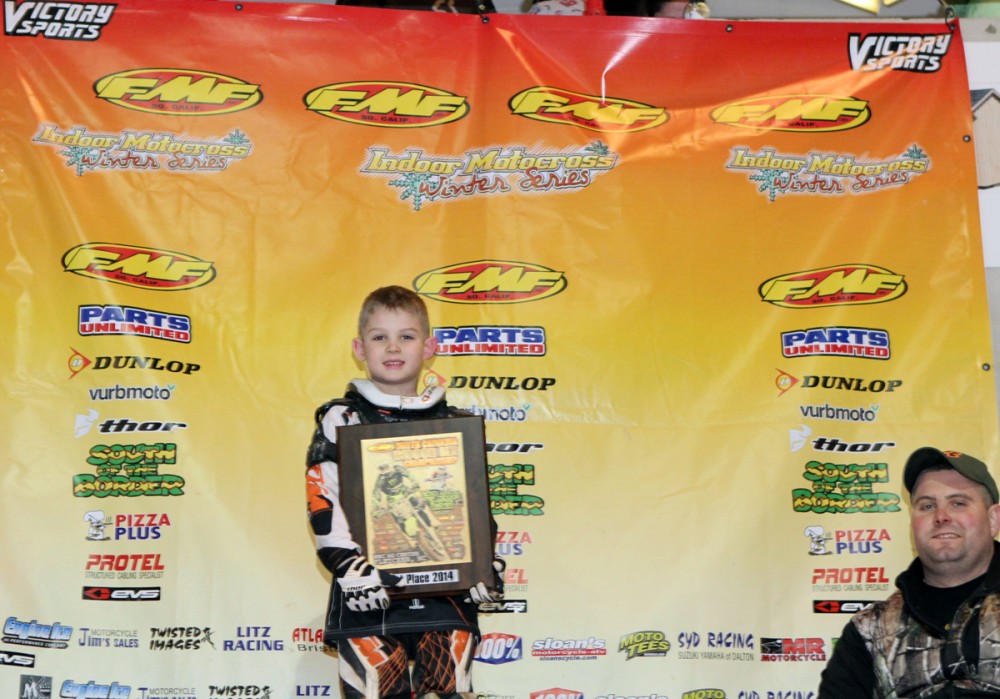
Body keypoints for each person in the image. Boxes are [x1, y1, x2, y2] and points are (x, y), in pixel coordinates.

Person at [305, 285, 504, 699]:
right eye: (379, 336)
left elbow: (473, 505)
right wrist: (348, 566)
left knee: (448, 693)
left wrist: (483, 568)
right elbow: (323, 495)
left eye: (407, 336)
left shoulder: (456, 424)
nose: (393, 347)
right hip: (366, 593)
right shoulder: (341, 418)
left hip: (448, 597)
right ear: (360, 348)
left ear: (429, 347)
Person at [818, 447, 1000, 697]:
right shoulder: (870, 631)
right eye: (927, 506)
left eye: (958, 503)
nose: (941, 516)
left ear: (993, 519)